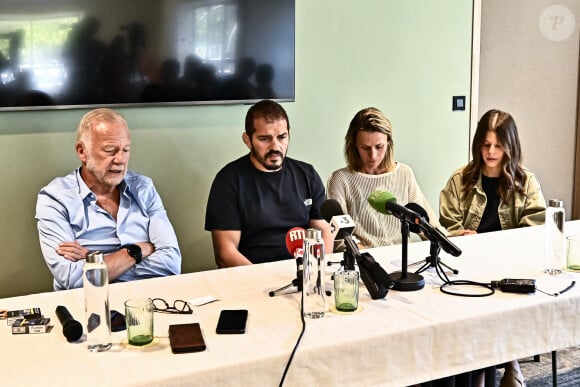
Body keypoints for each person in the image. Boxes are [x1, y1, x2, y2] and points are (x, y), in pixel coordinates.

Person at [439, 109, 547, 387]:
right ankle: (503, 366)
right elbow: (446, 227)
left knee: (499, 304)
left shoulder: (526, 183)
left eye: (498, 146)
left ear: (510, 147)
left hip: (509, 269)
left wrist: (497, 244)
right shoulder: (460, 180)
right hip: (468, 267)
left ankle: (500, 365)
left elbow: (537, 230)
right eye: (486, 145)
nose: (490, 151)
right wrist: (461, 235)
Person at [36, 108, 181, 290]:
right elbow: (72, 279)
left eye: (125, 150)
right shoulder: (55, 199)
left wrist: (95, 260)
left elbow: (172, 264)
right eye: (110, 150)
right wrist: (138, 250)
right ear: (82, 151)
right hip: (88, 309)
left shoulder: (143, 188)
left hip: (148, 302)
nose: (120, 159)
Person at [205, 99, 332, 267]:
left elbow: (323, 230)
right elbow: (225, 253)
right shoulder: (228, 180)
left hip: (304, 272)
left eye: (282, 137)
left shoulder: (307, 174)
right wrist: (263, 280)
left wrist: (316, 270)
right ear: (247, 140)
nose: (275, 146)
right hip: (252, 277)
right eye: (265, 138)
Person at [327, 107, 441, 248]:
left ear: (389, 143)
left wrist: (452, 239)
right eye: (365, 148)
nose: (373, 155)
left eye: (379, 146)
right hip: (364, 261)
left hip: (402, 258)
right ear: (354, 145)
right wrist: (365, 256)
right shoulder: (340, 179)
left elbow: (427, 225)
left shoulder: (404, 173)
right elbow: (339, 239)